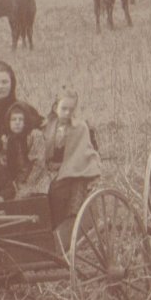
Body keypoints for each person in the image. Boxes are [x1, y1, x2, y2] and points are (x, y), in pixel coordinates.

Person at [44, 89, 101, 227]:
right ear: (55, 107)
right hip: (50, 169)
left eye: (71, 109)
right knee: (39, 194)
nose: (67, 113)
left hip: (73, 168)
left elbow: (80, 152)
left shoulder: (79, 127)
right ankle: (45, 225)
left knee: (58, 190)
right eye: (63, 109)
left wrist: (63, 168)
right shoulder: (48, 125)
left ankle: (62, 227)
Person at [3, 101, 49, 199]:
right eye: (13, 119)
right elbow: (6, 165)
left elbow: (39, 163)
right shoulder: (7, 140)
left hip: (37, 178)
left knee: (32, 199)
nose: (17, 122)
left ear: (26, 122)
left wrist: (28, 186)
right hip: (17, 181)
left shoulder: (34, 135)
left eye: (21, 119)